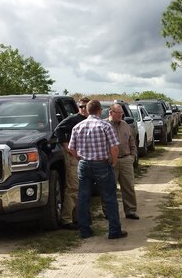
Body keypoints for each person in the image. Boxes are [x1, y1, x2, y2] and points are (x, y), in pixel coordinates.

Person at [68, 100, 127, 240]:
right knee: (109, 197)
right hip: (101, 163)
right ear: (100, 111)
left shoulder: (78, 126)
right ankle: (114, 231)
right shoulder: (105, 126)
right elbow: (114, 147)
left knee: (83, 198)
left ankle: (85, 230)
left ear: (87, 111)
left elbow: (71, 148)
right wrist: (113, 161)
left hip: (84, 164)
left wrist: (79, 158)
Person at [53, 97, 90, 230]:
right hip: (73, 157)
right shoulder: (73, 119)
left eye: (86, 106)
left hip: (87, 157)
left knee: (83, 188)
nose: (83, 109)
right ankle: (66, 219)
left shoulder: (91, 121)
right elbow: (58, 130)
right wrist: (67, 147)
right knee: (73, 187)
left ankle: (78, 217)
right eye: (81, 107)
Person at [108, 103, 139, 220]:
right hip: (111, 161)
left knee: (129, 187)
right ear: (110, 113)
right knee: (110, 188)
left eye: (122, 113)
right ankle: (109, 212)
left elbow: (132, 142)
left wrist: (132, 156)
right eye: (118, 113)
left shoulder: (125, 125)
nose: (121, 115)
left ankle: (130, 210)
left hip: (126, 159)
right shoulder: (104, 125)